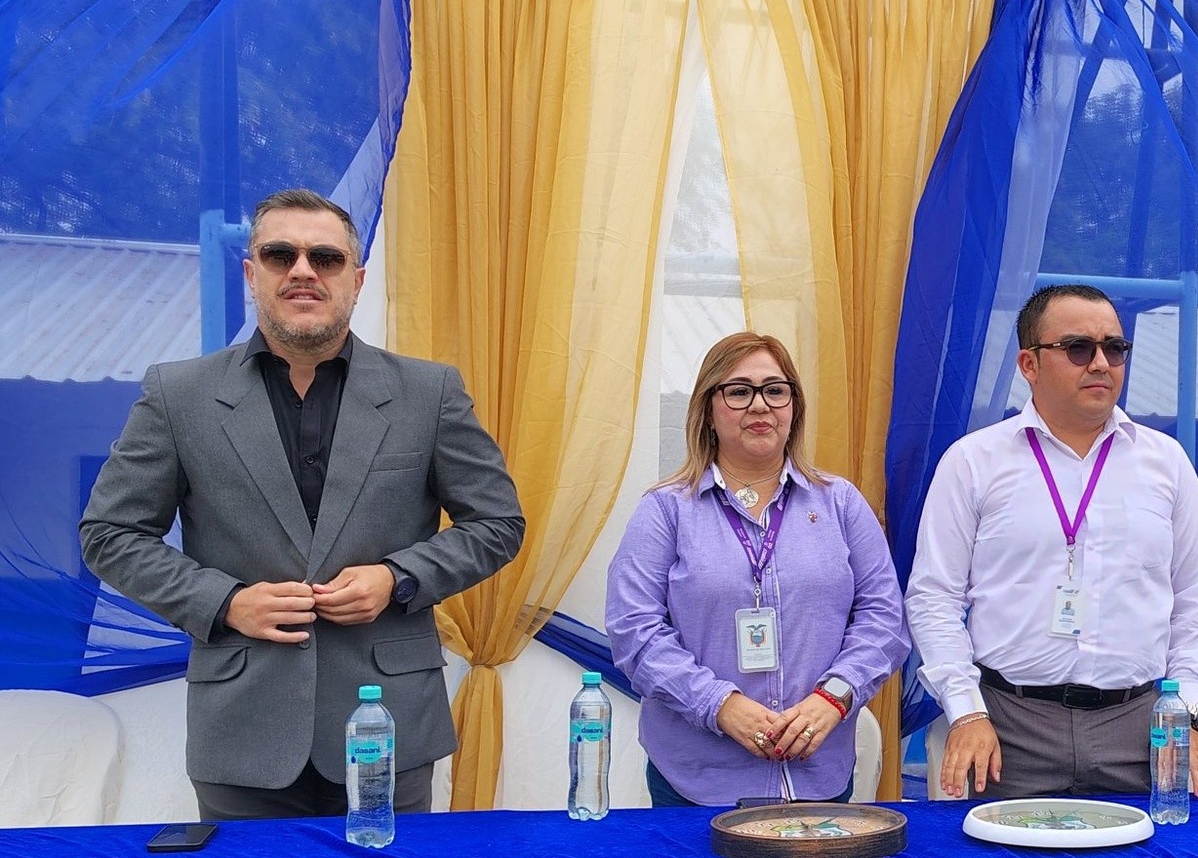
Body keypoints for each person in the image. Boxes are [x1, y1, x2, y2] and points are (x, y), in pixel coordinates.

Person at [79, 188, 524, 821]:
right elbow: (110, 534)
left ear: (356, 280)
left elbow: (498, 523)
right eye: (280, 254)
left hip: (389, 726)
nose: (303, 271)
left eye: (326, 258)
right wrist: (225, 602)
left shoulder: (429, 393)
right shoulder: (179, 395)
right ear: (251, 274)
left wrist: (397, 578)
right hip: (243, 733)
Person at [905, 283, 1198, 800]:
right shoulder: (974, 462)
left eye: (1114, 348)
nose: (1100, 363)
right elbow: (934, 596)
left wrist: (1183, 712)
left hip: (1139, 726)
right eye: (1078, 348)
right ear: (1028, 364)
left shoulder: (1165, 462)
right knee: (1001, 857)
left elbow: (1197, 593)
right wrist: (965, 711)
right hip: (1010, 726)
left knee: (1153, 855)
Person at [607, 333, 908, 807]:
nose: (760, 405)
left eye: (775, 390)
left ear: (794, 407)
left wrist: (832, 698)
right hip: (696, 785)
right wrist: (719, 705)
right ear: (708, 409)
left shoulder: (841, 503)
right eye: (739, 391)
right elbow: (634, 631)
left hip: (818, 777)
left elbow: (884, 620)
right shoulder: (666, 510)